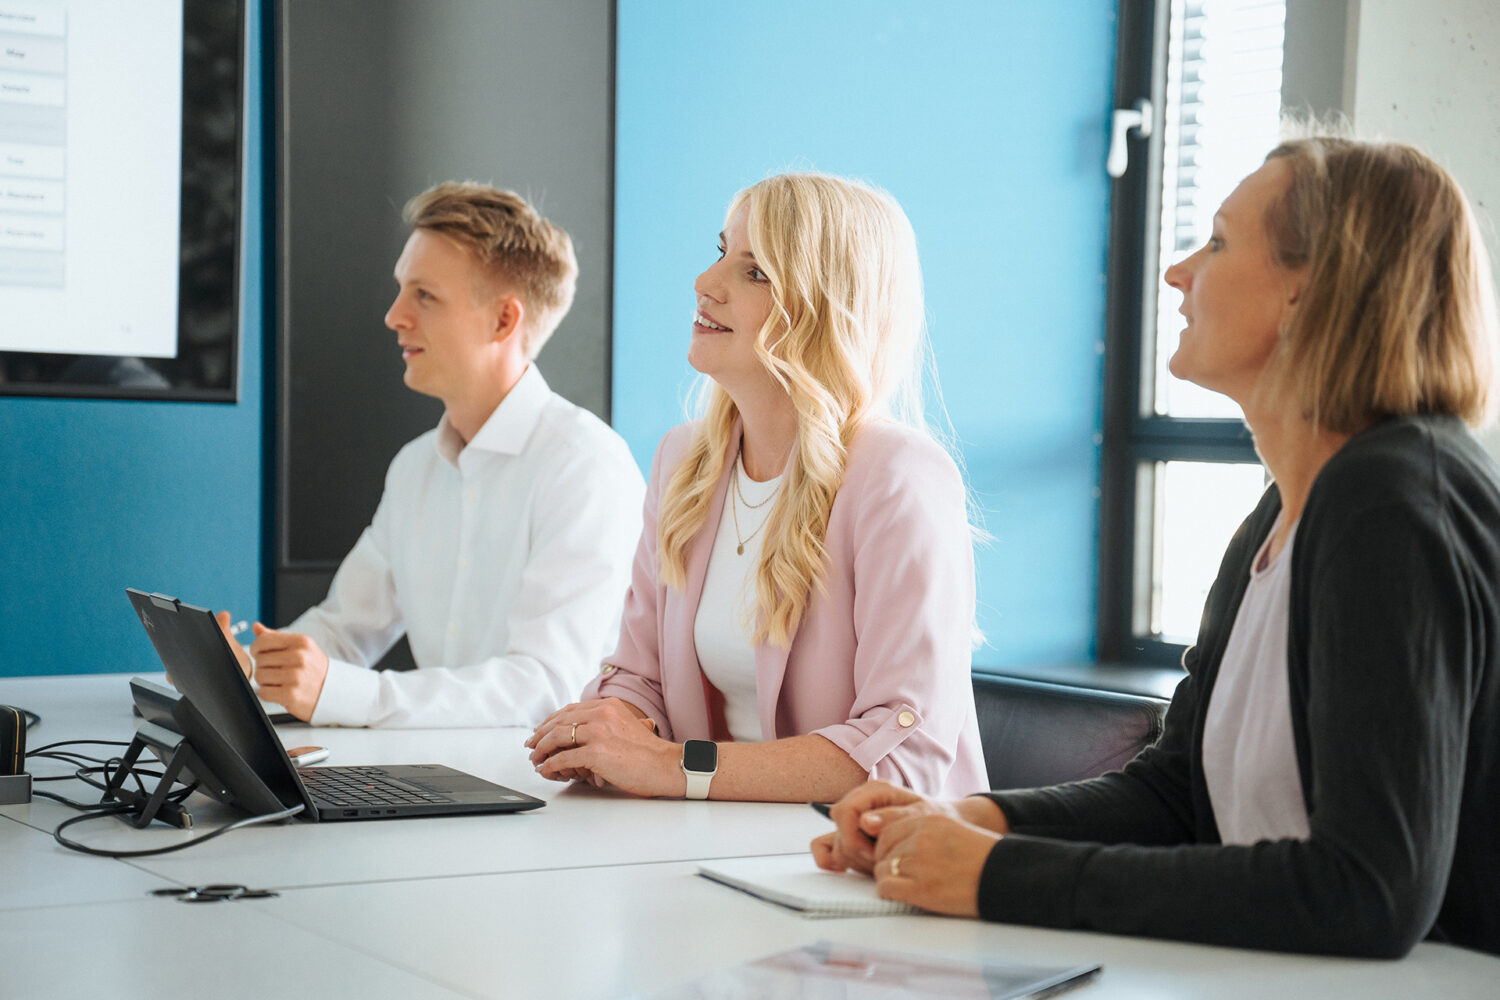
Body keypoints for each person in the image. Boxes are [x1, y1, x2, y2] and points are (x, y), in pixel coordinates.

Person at [812, 135, 1500, 958]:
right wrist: (972, 820)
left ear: (1306, 292)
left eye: (1216, 242)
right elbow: (1177, 796)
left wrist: (999, 876)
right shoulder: (1286, 505)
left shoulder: (1390, 501)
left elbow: (1370, 892)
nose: (1177, 273)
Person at [525, 172, 988, 802]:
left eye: (756, 272)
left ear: (825, 307)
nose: (705, 283)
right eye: (722, 254)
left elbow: (902, 754)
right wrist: (611, 726)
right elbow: (640, 676)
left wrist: (670, 767)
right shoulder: (684, 460)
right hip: (715, 844)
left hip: (869, 862)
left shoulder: (899, 476)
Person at [218, 182, 645, 728]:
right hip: (438, 776)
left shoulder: (586, 467)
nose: (395, 315)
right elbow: (345, 629)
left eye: (424, 295)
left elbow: (547, 688)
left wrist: (353, 695)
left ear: (503, 322)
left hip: (546, 796)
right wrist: (251, 673)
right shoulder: (415, 467)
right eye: (401, 290)